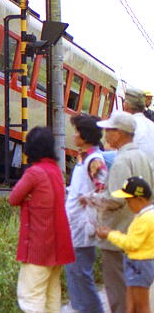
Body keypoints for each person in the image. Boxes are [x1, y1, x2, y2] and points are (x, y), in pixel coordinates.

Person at [86, 113, 154, 313]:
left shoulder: (122, 160)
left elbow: (115, 199)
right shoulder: (143, 157)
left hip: (116, 236)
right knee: (135, 295)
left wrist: (91, 199)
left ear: (119, 134)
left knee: (118, 295)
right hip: (137, 236)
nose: (105, 134)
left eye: (109, 130)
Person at [9, 126, 75, 313]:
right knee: (52, 296)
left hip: (38, 246)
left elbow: (14, 198)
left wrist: (27, 197)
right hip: (58, 246)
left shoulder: (34, 173)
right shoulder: (56, 171)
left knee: (31, 296)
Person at [65, 114, 108, 313]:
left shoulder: (94, 161)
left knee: (80, 276)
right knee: (76, 275)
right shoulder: (87, 158)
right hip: (76, 224)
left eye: (77, 132)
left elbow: (103, 189)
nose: (74, 136)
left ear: (85, 135)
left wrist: (87, 198)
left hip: (83, 225)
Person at [97, 176, 154, 313]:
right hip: (137, 264)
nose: (127, 205)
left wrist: (110, 234)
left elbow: (131, 243)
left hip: (140, 264)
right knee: (132, 305)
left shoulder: (146, 218)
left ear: (139, 199)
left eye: (128, 201)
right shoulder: (144, 215)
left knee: (142, 306)